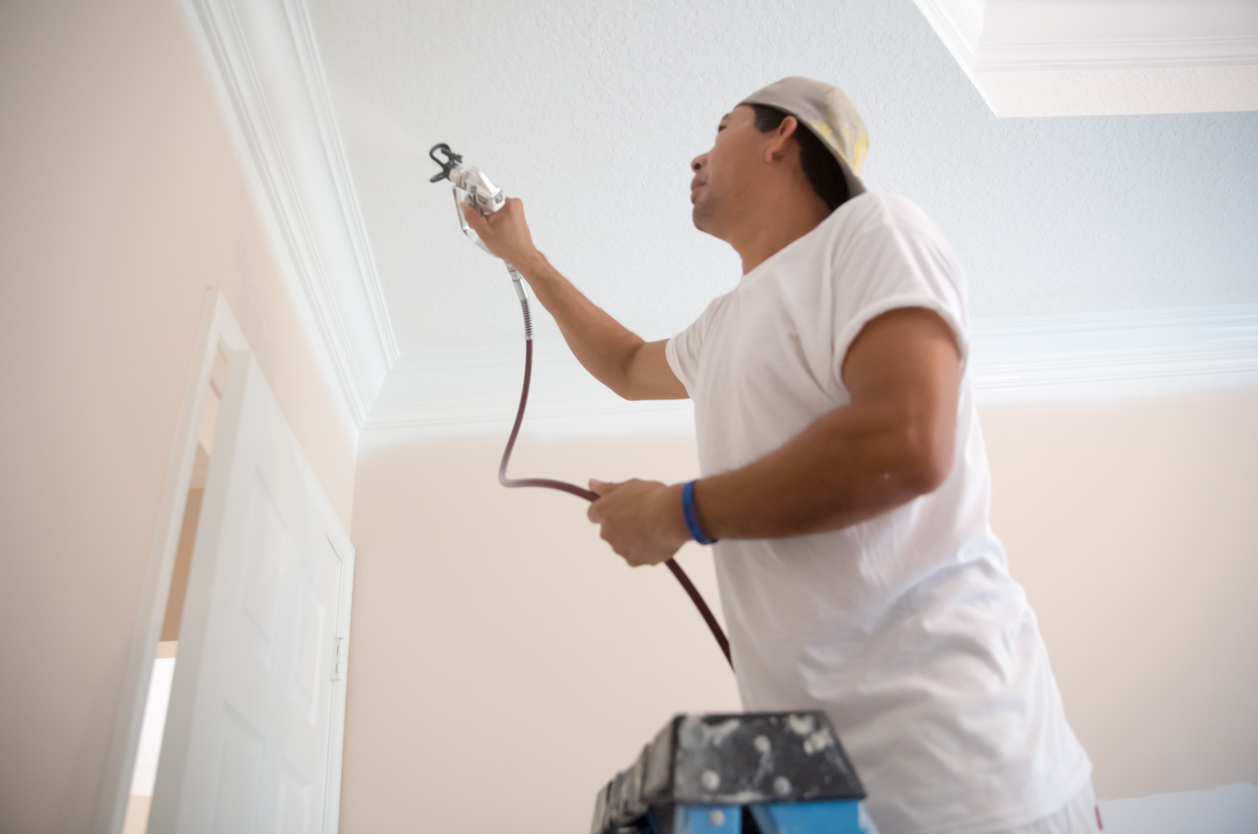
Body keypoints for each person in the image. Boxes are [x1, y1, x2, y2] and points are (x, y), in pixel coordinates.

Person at [461, 77, 1098, 834]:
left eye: (722, 126)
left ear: (783, 135)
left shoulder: (872, 232)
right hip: (828, 798)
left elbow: (905, 440)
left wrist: (680, 510)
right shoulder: (724, 326)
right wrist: (528, 259)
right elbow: (628, 364)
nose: (697, 154)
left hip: (972, 771)